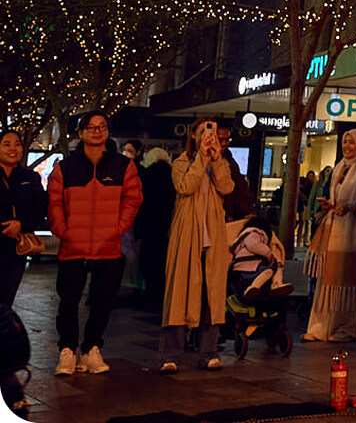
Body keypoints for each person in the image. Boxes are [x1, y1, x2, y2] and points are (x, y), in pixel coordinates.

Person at [48, 112, 143, 377]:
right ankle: (67, 351)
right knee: (68, 301)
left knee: (102, 301)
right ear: (80, 133)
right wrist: (63, 231)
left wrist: (117, 227)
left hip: (108, 247)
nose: (97, 131)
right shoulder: (64, 167)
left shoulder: (123, 165)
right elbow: (54, 202)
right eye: (91, 127)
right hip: (72, 246)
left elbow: (133, 199)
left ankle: (91, 349)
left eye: (101, 127)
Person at [160, 118, 232, 373]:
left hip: (213, 236)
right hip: (186, 234)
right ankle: (172, 355)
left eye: (211, 132)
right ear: (193, 135)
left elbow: (227, 186)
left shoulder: (219, 162)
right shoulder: (181, 162)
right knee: (179, 293)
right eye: (203, 131)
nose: (208, 136)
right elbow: (186, 186)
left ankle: (209, 352)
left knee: (211, 295)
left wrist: (216, 159)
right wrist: (201, 158)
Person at [303, 128, 356, 343]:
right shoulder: (339, 168)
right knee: (327, 278)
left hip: (352, 232)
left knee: (344, 278)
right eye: (345, 142)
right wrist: (330, 205)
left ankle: (343, 326)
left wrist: (349, 206)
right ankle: (321, 326)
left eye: (352, 143)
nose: (347, 147)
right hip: (332, 229)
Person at [0, 130, 47, 307]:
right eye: (6, 144)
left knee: (6, 301)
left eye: (17, 144)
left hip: (17, 248)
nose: (13, 149)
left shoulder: (30, 177)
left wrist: (21, 224)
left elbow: (41, 208)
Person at [135, 148, 174, 311]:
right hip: (167, 226)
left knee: (149, 262)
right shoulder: (173, 175)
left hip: (149, 226)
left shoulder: (146, 176)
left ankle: (149, 297)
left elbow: (140, 203)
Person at [228, 215, 293, 300]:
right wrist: (268, 253)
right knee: (269, 270)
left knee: (273, 267)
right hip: (250, 267)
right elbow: (253, 245)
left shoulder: (241, 239)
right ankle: (257, 286)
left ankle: (276, 284)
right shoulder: (254, 233)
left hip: (241, 270)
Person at [215, 123, 254, 221]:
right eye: (220, 140)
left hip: (225, 216)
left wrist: (246, 211)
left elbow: (239, 188)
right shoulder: (201, 160)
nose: (224, 143)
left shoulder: (229, 160)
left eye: (227, 139)